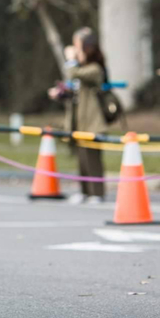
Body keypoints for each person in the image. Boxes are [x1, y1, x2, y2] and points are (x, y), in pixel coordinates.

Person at [48, 27, 108, 205]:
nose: (75, 50)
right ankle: (84, 191)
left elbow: (74, 73)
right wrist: (60, 93)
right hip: (78, 121)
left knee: (92, 159)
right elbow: (74, 89)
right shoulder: (81, 69)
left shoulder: (95, 69)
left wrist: (71, 58)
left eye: (78, 46)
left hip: (92, 121)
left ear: (87, 48)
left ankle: (97, 193)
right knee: (81, 159)